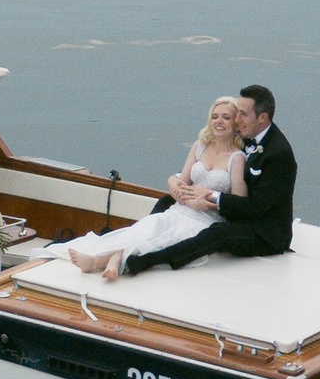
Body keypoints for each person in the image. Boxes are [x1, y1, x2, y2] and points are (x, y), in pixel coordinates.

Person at [106, 84, 296, 280]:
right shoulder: (247, 135)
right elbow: (216, 160)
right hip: (238, 210)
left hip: (264, 231)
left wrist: (207, 195)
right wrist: (176, 180)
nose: (238, 120)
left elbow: (258, 207)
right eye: (237, 113)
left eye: (243, 115)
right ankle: (136, 241)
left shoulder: (279, 153)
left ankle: (144, 261)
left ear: (262, 118)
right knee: (166, 202)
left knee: (218, 233)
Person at [67, 96, 247, 280]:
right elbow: (182, 182)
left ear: (236, 123)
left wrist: (209, 202)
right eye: (215, 116)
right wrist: (181, 192)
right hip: (180, 210)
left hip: (204, 220)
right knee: (148, 227)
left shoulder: (237, 158)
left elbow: (238, 203)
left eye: (226, 117)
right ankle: (108, 258)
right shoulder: (199, 146)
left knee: (163, 242)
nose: (219, 121)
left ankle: (102, 261)